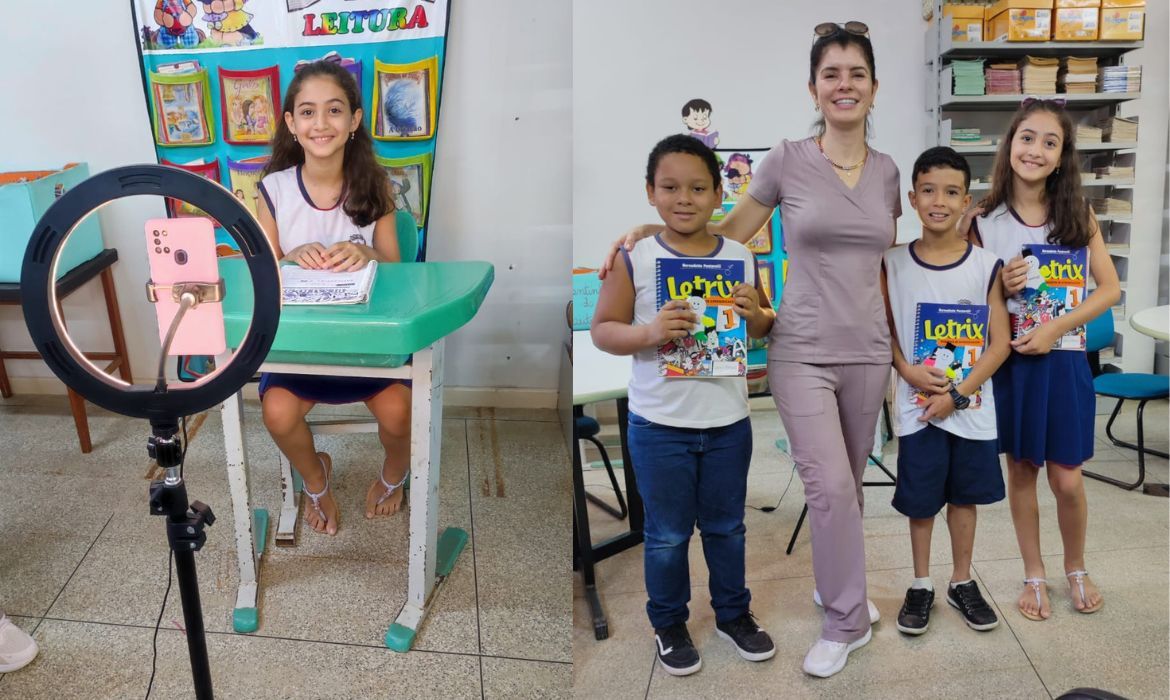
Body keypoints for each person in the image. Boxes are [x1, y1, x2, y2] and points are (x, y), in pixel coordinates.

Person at [602, 22, 897, 678]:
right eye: (831, 74)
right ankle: (847, 620)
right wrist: (655, 231)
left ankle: (835, 584)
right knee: (827, 489)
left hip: (868, 350)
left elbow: (883, 265)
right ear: (814, 88)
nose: (843, 85)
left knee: (849, 487)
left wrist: (903, 352)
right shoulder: (788, 158)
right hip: (799, 348)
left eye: (856, 74)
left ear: (875, 88)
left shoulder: (887, 172)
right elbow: (726, 234)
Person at [591, 134, 776, 676]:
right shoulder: (637, 256)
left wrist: (755, 316)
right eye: (670, 187)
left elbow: (765, 327)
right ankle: (668, 623)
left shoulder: (740, 257)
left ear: (719, 193)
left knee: (726, 529)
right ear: (650, 192)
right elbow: (603, 330)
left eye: (699, 187)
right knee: (667, 535)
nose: (684, 198)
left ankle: (733, 614)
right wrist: (649, 332)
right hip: (660, 425)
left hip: (728, 424)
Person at [965, 99, 1120, 620]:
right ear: (1011, 144)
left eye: (1049, 142)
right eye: (1027, 138)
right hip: (1011, 367)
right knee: (1024, 472)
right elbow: (970, 297)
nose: (1035, 150)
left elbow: (1109, 289)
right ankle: (1035, 572)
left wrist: (1057, 326)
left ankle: (1075, 565)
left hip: (1065, 360)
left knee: (1068, 478)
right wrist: (998, 285)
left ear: (1061, 156)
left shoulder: (1077, 214)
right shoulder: (983, 220)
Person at [256, 60, 408, 536]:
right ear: (291, 124)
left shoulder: (375, 186)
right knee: (277, 412)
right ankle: (316, 482)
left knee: (400, 411)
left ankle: (394, 475)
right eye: (307, 112)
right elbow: (263, 270)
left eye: (334, 110)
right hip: (301, 347)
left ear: (355, 121)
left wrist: (365, 252)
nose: (321, 123)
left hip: (364, 344)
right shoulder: (273, 190)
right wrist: (289, 255)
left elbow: (398, 270)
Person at [881, 147, 1010, 636]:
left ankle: (961, 581)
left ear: (966, 200)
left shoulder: (987, 264)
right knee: (920, 500)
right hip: (917, 411)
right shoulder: (891, 263)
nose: (939, 201)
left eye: (951, 192)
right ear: (912, 198)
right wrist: (908, 372)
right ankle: (920, 584)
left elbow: (999, 345)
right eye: (929, 191)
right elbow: (886, 332)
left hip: (970, 411)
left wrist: (956, 395)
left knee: (965, 498)